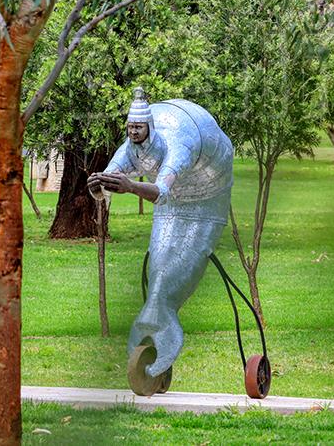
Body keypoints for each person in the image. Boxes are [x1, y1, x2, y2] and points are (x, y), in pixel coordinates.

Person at [88, 87, 234, 395]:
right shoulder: (131, 146)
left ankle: (162, 338)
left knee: (180, 268)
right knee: (159, 280)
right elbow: (110, 179)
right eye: (130, 128)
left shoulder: (177, 144)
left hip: (206, 192)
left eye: (138, 127)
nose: (133, 132)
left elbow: (161, 193)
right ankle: (157, 337)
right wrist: (98, 185)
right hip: (173, 197)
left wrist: (129, 186)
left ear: (150, 127)